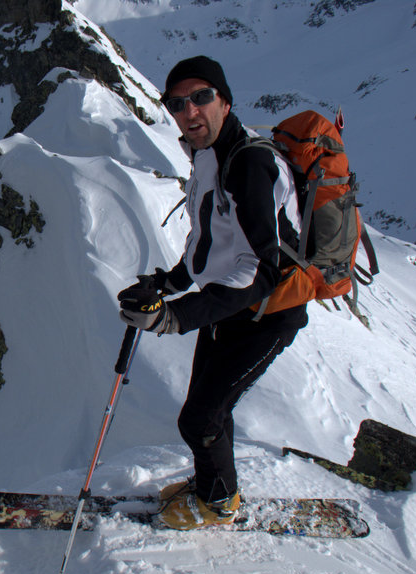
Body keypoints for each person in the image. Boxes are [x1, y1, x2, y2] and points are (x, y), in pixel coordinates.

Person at [117, 56, 309, 530]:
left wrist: (176, 316)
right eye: (178, 103)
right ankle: (214, 486)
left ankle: (219, 503)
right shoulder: (206, 156)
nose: (190, 111)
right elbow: (210, 243)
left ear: (225, 100)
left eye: (202, 97)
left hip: (266, 314)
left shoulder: (251, 165)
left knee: (200, 418)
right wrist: (167, 285)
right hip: (228, 307)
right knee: (207, 412)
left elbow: (263, 269)